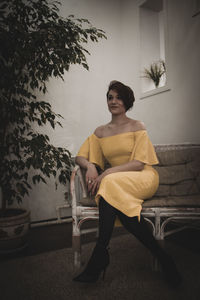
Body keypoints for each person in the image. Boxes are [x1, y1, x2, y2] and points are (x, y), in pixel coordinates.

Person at [73, 81, 182, 288]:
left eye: (118, 97)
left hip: (142, 177)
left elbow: (140, 162)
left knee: (109, 183)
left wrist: (107, 173)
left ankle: (100, 255)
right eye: (110, 97)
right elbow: (80, 156)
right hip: (116, 184)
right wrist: (89, 166)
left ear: (127, 101)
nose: (113, 101)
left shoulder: (137, 126)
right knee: (119, 201)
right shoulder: (100, 131)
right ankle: (164, 259)